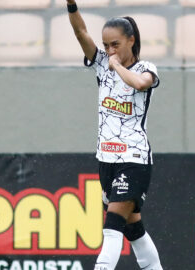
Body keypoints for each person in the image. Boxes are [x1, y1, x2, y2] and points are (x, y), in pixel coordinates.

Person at [66, 1, 163, 269]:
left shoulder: (146, 68)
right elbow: (80, 33)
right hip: (106, 160)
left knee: (112, 227)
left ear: (131, 40)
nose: (109, 50)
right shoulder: (100, 63)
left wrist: (116, 66)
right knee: (134, 231)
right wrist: (71, 5)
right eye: (106, 45)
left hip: (134, 159)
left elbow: (141, 83)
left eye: (115, 44)